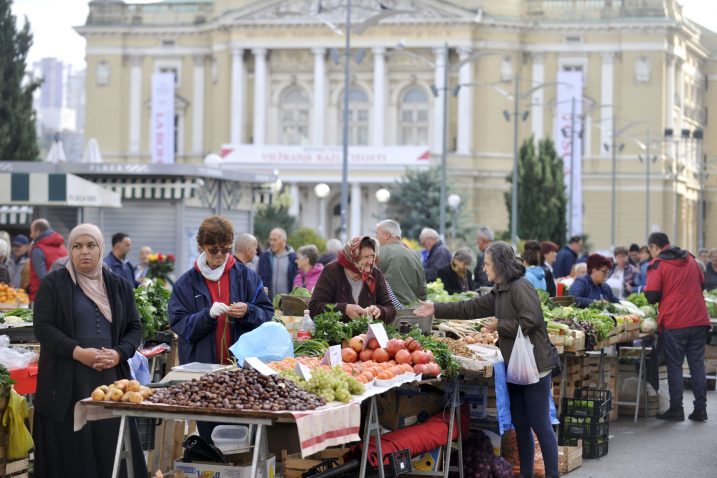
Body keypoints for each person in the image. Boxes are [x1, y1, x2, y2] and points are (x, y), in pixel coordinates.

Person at [413, 242, 560, 478]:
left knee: (541, 425)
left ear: (500, 265)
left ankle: (552, 475)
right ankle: (525, 474)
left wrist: (499, 325)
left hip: (534, 364)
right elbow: (471, 307)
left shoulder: (520, 287)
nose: (484, 268)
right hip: (516, 365)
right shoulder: (500, 289)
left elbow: (532, 320)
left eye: (488, 263)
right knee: (521, 424)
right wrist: (435, 308)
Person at [32, 223, 147, 478]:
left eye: (91, 245)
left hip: (110, 382)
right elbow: (43, 328)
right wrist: (78, 352)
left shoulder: (117, 285)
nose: (84, 251)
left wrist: (118, 353)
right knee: (74, 452)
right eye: (77, 246)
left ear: (100, 248)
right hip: (68, 381)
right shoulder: (54, 284)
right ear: (70, 251)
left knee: (111, 447)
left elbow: (134, 327)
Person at [169, 215, 274, 366]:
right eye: (213, 249)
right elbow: (179, 325)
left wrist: (248, 311)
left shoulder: (247, 277)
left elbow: (267, 313)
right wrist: (207, 315)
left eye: (225, 248)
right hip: (200, 369)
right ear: (202, 246)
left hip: (240, 367)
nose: (219, 254)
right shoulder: (185, 283)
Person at [645, 233, 710, 421]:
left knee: (675, 365)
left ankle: (676, 409)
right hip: (698, 318)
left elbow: (652, 295)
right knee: (697, 363)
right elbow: (702, 284)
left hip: (675, 320)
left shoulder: (658, 264)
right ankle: (700, 408)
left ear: (654, 247)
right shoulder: (690, 259)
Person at [309, 236, 396, 323]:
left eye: (372, 256)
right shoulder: (331, 271)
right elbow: (314, 307)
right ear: (352, 258)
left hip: (367, 334)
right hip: (336, 334)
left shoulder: (375, 274)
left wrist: (380, 311)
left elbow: (390, 309)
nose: (370, 261)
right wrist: (344, 309)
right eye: (365, 257)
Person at [375, 220, 426, 306]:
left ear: (387, 235)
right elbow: (423, 289)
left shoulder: (378, 253)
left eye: (377, 234)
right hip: (413, 310)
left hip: (388, 312)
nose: (375, 237)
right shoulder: (415, 254)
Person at [28, 219, 68, 301]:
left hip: (42, 295)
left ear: (38, 232)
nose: (31, 235)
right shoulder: (63, 248)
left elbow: (43, 277)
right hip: (61, 295)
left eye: (32, 232)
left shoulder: (37, 250)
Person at [257, 228, 297, 298]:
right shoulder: (264, 257)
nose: (271, 243)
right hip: (267, 302)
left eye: (274, 240)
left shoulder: (293, 258)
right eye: (270, 240)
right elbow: (258, 278)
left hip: (288, 304)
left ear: (284, 240)